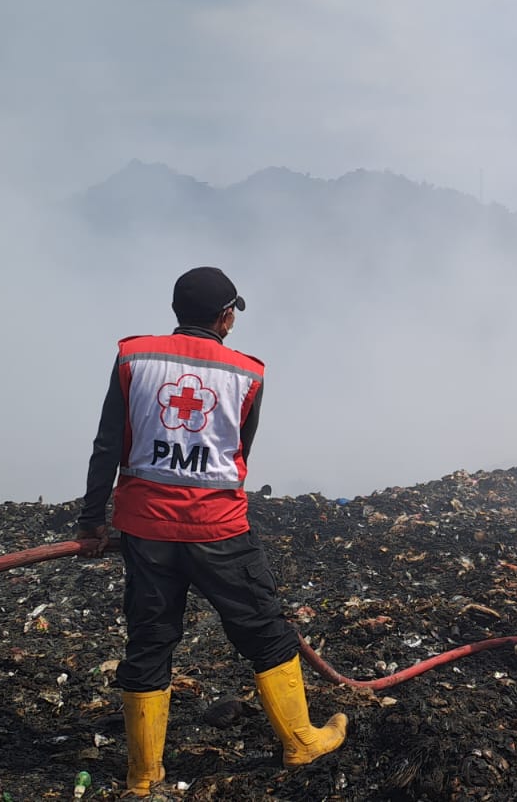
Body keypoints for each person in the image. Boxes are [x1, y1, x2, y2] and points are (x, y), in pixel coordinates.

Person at [76, 267, 345, 797]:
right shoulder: (247, 373)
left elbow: (108, 444)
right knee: (263, 629)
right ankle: (300, 742)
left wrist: (90, 521)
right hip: (218, 528)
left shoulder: (134, 356)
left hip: (145, 528)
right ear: (226, 316)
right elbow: (239, 450)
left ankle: (143, 777)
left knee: (150, 639)